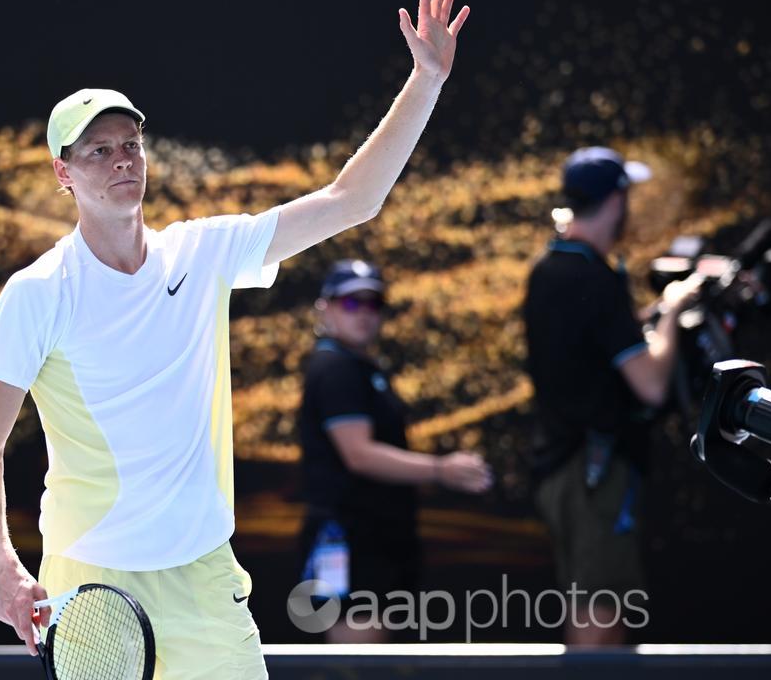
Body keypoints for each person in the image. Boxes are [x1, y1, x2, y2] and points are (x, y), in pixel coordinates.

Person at [0, 0, 471, 677]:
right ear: (63, 173)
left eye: (129, 144)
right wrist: (6, 567)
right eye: (97, 151)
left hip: (204, 580)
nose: (120, 160)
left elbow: (353, 200)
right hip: (92, 584)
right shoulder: (38, 294)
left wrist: (427, 81)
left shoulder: (201, 252)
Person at [522, 147, 702, 646]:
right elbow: (650, 382)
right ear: (615, 200)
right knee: (600, 611)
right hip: (592, 474)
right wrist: (671, 312)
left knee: (593, 603)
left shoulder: (549, 269)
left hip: (566, 465)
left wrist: (642, 319)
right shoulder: (593, 278)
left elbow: (587, 349)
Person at [297, 259, 492, 643]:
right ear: (327, 308)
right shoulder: (335, 367)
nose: (365, 314)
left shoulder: (360, 366)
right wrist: (440, 469)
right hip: (351, 537)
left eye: (374, 304)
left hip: (375, 536)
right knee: (357, 662)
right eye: (352, 303)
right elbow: (360, 454)